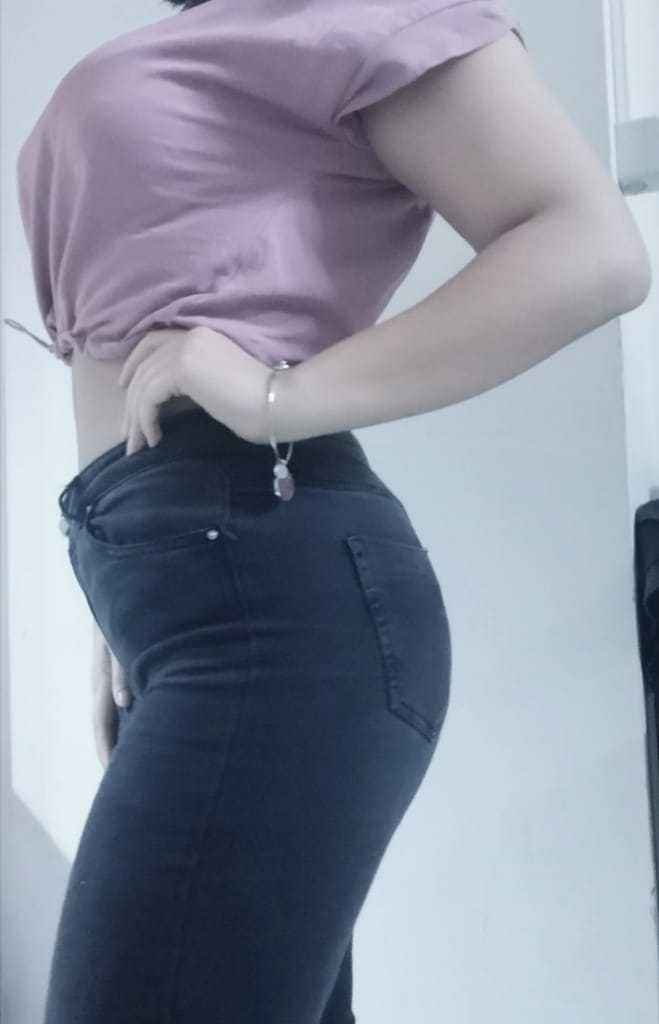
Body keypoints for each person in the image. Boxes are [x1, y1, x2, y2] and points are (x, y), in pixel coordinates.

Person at [5, 0, 651, 1020]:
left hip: (265, 594)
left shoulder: (354, 9)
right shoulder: (218, 35)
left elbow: (593, 247)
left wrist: (280, 395)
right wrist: (123, 607)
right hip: (181, 588)